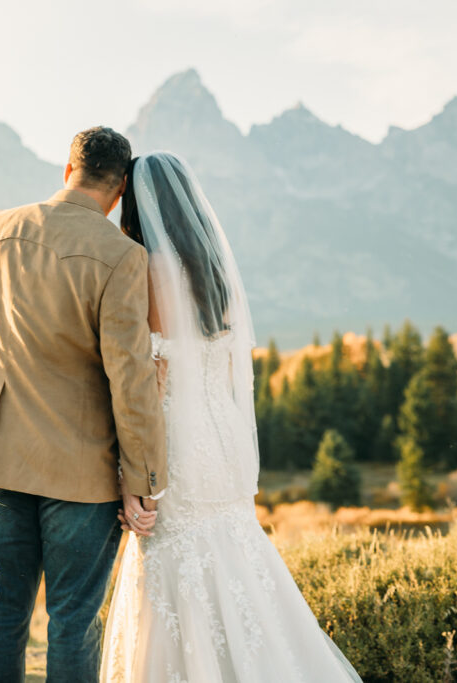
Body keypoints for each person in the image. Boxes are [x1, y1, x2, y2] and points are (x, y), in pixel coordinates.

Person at [100, 151, 363, 682]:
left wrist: (136, 473)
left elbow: (152, 379)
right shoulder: (214, 266)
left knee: (172, 561)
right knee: (235, 555)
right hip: (221, 437)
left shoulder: (148, 267)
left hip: (177, 438)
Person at [0, 126, 167, 683]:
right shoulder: (122, 256)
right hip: (81, 475)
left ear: (68, 170)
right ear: (119, 192)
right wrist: (142, 476)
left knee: (0, 621)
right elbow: (130, 377)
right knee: (71, 622)